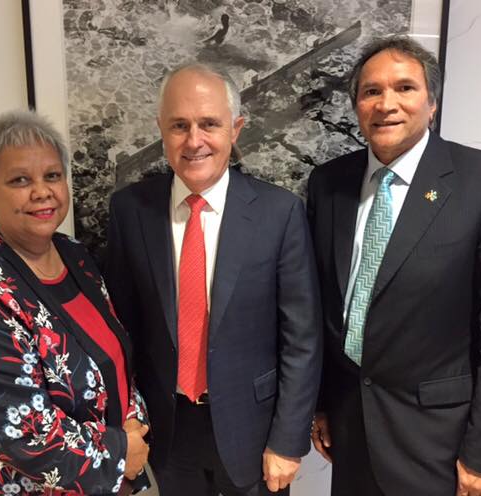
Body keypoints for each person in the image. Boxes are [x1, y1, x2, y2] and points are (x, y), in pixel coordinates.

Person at [307, 36, 481, 496]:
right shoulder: (329, 183)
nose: (386, 103)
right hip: (351, 430)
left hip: (441, 444)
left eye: (404, 88)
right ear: (356, 106)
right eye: (371, 91)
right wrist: (321, 404)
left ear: (431, 103)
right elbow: (322, 306)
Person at [105, 63, 322, 496]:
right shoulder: (129, 211)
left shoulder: (279, 214)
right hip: (167, 433)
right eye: (179, 125)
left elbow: (302, 338)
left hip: (256, 435)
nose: (194, 140)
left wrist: (288, 440)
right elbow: (120, 329)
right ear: (161, 130)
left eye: (209, 124)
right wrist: (124, 421)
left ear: (236, 128)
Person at [0, 110, 150, 495]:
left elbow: (114, 361)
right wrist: (121, 450)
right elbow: (22, 433)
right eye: (20, 180)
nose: (42, 191)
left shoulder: (74, 256)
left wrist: (133, 423)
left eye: (52, 176)